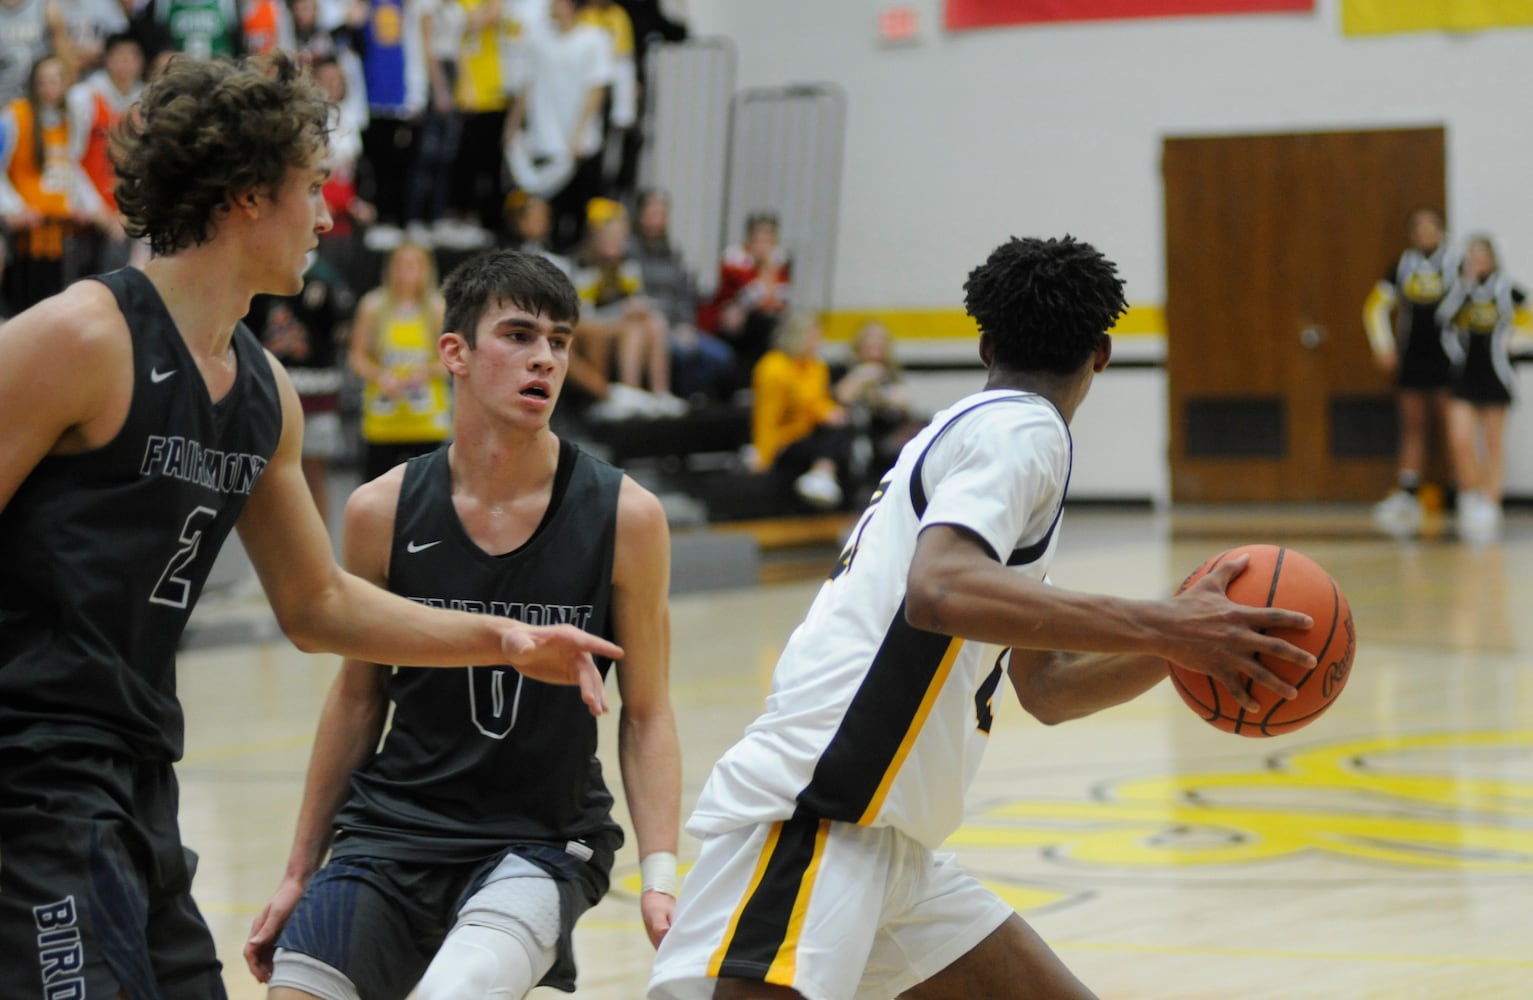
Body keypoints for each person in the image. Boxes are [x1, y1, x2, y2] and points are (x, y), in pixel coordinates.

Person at [0, 54, 620, 1000]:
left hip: (136, 777)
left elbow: (318, 605)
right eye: (313, 188)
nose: (329, 217)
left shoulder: (262, 395)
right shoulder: (80, 338)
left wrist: (502, 638)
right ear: (249, 196)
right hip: (29, 781)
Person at [647, 235, 1317, 1000]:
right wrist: (1165, 624)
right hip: (821, 813)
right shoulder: (1021, 432)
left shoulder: (971, 435)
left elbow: (1048, 687)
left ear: (984, 344)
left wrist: (1190, 650)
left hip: (888, 838)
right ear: (1100, 354)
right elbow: (938, 591)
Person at [243, 247, 681, 999]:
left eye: (560, 341)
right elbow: (357, 697)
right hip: (390, 830)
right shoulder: (380, 511)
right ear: (455, 353)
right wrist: (297, 871)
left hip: (542, 840)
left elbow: (644, 714)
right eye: (518, 335)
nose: (544, 359)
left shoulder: (626, 516)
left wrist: (661, 874)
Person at [1365, 208, 1457, 537]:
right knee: (1414, 425)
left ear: (1442, 231)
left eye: (1431, 227)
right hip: (1413, 357)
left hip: (1447, 357)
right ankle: (1407, 490)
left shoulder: (1455, 265)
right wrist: (1383, 345)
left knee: (1451, 425)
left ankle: (1461, 490)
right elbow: (1375, 305)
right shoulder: (1403, 265)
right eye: (1419, 228)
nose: (1426, 233)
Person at [245, 251, 355, 519]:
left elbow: (343, 329)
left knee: (313, 470)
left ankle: (319, 549)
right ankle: (270, 551)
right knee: (266, 473)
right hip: (270, 384)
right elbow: (247, 327)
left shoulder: (325, 278)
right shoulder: (264, 274)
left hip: (317, 387)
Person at [1436, 234, 1527, 544]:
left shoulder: (1505, 288)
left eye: (1482, 255)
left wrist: (1517, 342)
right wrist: (1463, 285)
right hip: (1465, 373)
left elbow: (1527, 313)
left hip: (1496, 373)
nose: (1477, 261)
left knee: (1491, 441)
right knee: (1460, 438)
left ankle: (1492, 500)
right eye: (1471, 256)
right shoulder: (1462, 290)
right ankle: (1471, 491)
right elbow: (1443, 318)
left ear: (1492, 258)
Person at [349, 239, 452, 482]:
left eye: (414, 264)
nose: (407, 271)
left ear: (427, 269)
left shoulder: (438, 307)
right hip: (383, 420)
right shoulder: (373, 305)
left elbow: (451, 361)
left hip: (426, 421)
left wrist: (424, 373)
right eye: (400, 264)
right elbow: (357, 357)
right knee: (375, 495)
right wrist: (380, 376)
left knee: (428, 496)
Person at [750, 311, 855, 510]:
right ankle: (822, 475)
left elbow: (819, 401)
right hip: (785, 440)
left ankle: (822, 475)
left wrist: (831, 412)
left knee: (841, 424)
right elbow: (766, 416)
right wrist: (764, 456)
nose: (818, 341)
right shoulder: (772, 367)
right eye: (814, 335)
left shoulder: (816, 365)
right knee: (835, 436)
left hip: (810, 433)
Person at [698, 210, 790, 383]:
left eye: (768, 239)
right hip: (722, 323)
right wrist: (768, 270)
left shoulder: (779, 262)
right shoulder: (735, 259)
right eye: (758, 239)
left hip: (754, 321)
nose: (763, 245)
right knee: (762, 323)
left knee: (777, 324)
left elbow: (779, 302)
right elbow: (754, 297)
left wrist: (767, 269)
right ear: (749, 240)